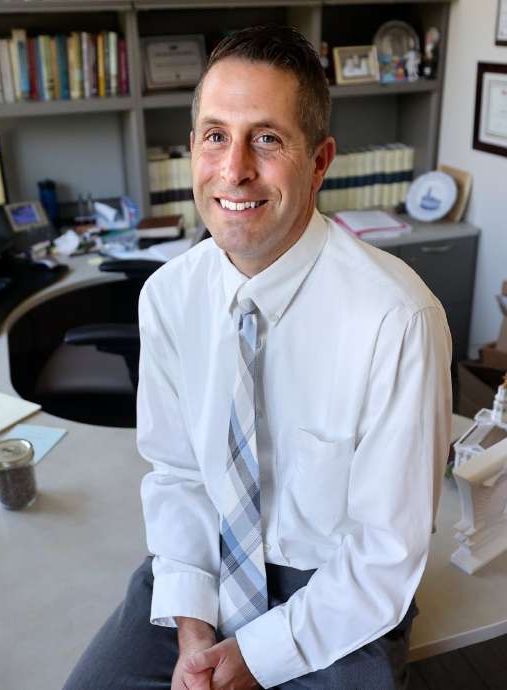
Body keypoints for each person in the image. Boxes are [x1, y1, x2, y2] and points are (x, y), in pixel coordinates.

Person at [64, 25, 452, 690]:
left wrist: (254, 656)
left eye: (266, 139)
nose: (234, 168)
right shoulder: (168, 297)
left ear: (320, 159)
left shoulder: (398, 320)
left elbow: (385, 558)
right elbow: (179, 476)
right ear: (192, 149)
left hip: (335, 594)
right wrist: (193, 632)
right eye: (215, 135)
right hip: (204, 567)